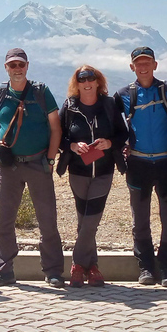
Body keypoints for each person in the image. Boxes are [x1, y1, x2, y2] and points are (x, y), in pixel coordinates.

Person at [0, 48, 65, 288]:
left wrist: (50, 160)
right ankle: (4, 271)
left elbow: (55, 128)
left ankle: (52, 272)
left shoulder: (42, 92)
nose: (17, 69)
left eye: (21, 65)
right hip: (9, 166)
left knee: (47, 220)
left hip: (38, 163)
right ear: (6, 68)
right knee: (4, 220)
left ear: (27, 66)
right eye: (13, 65)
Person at [116, 47, 167, 288]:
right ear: (132, 67)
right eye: (138, 63)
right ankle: (145, 267)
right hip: (138, 163)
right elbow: (114, 127)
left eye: (147, 62)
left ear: (155, 65)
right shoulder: (124, 94)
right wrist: (120, 152)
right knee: (140, 219)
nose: (143, 66)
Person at [58, 65, 128, 288]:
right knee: (84, 221)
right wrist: (72, 146)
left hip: (104, 172)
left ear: (98, 82)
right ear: (76, 83)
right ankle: (92, 267)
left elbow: (123, 133)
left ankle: (77, 265)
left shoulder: (108, 104)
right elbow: (57, 137)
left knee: (91, 220)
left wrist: (110, 143)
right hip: (78, 172)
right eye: (82, 78)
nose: (87, 82)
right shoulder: (69, 107)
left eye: (91, 78)